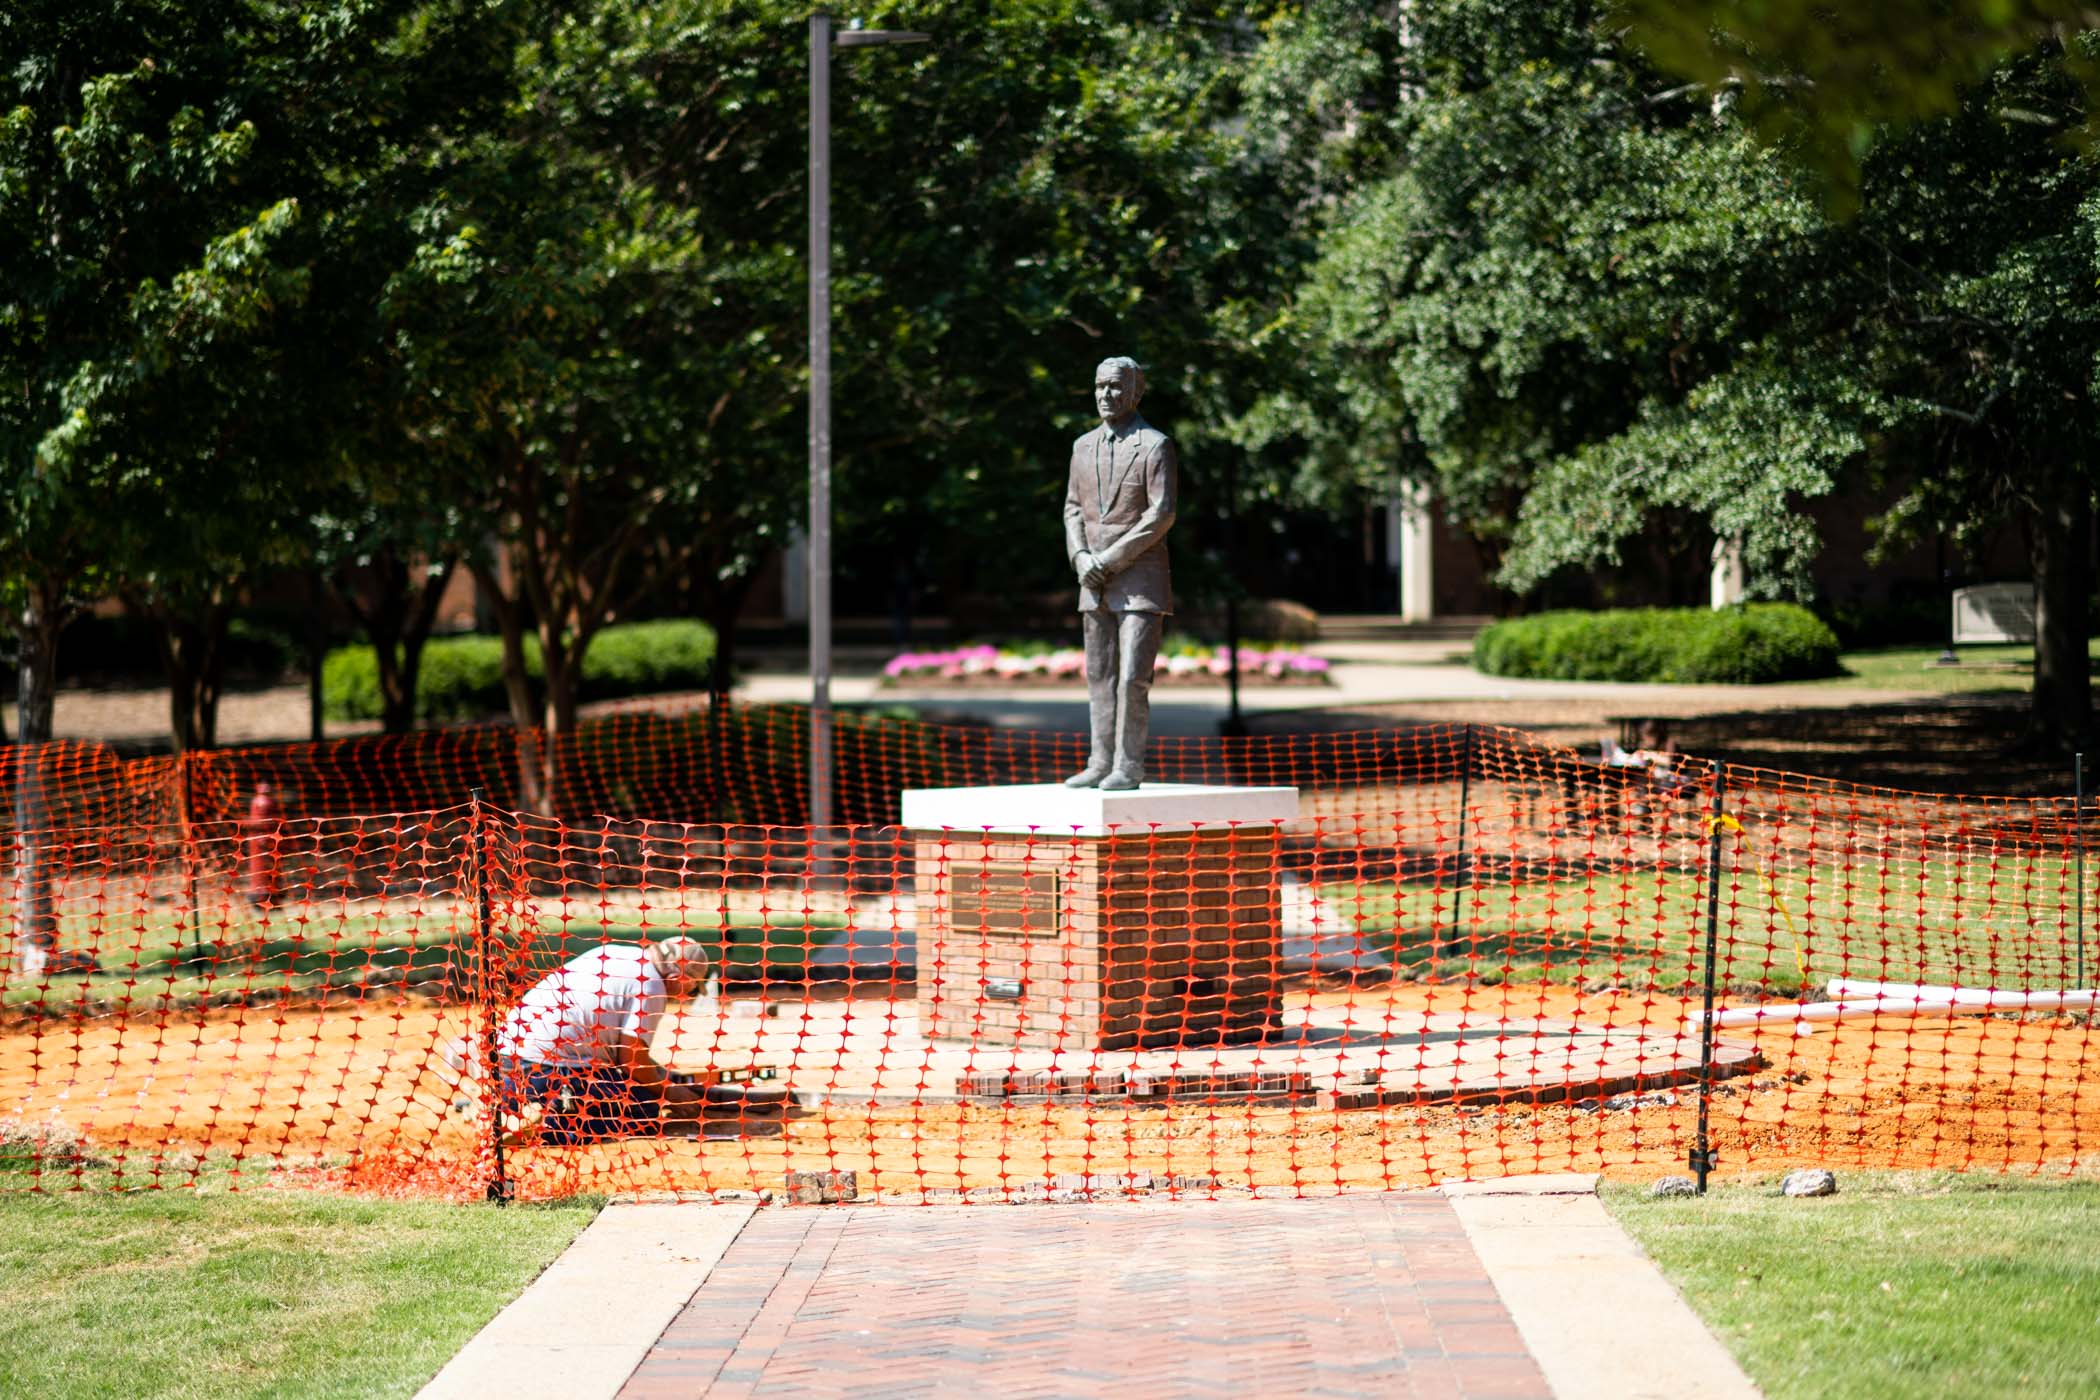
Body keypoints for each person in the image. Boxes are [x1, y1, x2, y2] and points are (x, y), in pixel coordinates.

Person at [1063, 356, 1178, 790]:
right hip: (1092, 579)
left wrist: (1107, 559)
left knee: (1132, 676)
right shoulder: (1082, 446)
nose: (1105, 395)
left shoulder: (1155, 445)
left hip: (1139, 580)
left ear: (1135, 392)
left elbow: (1160, 515)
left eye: (1114, 386)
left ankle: (1128, 766)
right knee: (1099, 674)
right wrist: (1080, 558)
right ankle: (1099, 761)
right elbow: (1073, 508)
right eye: (1099, 387)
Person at [495, 936, 717, 1144]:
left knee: (627, 1088)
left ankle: (503, 1109)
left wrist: (661, 1076)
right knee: (644, 1108)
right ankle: (548, 1124)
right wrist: (668, 1092)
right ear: (677, 979)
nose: (687, 996)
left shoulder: (613, 952)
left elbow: (624, 1054)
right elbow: (632, 1063)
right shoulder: (652, 985)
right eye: (692, 988)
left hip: (506, 1062)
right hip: (550, 1071)